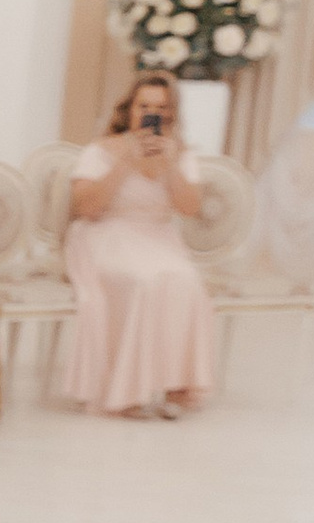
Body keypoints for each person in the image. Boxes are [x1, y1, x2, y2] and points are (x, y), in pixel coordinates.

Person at [65, 71, 217, 417]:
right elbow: (86, 208)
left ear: (171, 113)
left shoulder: (179, 153)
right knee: (142, 282)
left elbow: (190, 209)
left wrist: (170, 165)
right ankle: (126, 392)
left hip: (158, 238)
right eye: (144, 105)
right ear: (130, 109)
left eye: (161, 107)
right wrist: (127, 161)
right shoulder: (101, 149)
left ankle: (173, 386)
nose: (152, 113)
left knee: (185, 281)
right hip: (106, 235)